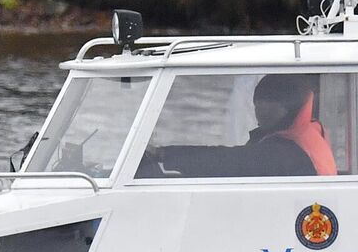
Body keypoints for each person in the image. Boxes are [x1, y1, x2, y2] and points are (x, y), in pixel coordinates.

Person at [144, 73, 337, 177]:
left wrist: (165, 154)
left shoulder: (285, 152)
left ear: (289, 107)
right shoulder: (308, 134)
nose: (260, 111)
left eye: (270, 105)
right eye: (257, 103)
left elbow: (229, 161)